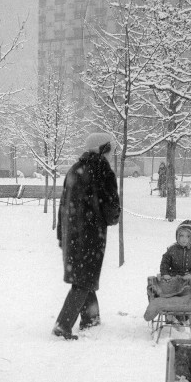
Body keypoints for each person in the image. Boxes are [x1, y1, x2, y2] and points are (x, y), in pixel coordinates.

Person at [54, 133, 121, 340]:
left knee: (84, 276)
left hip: (71, 235)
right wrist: (113, 216)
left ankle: (91, 318)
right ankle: (63, 325)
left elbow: (63, 205)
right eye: (110, 150)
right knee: (84, 280)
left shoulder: (75, 169)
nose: (111, 154)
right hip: (92, 235)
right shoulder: (103, 171)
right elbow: (111, 209)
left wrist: (61, 234)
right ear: (103, 149)